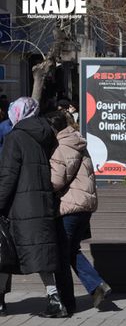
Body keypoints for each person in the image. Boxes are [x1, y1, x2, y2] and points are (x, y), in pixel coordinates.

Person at [0, 97, 70, 318]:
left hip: (19, 207)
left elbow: (7, 177)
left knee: (4, 252)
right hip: (41, 203)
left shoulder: (15, 137)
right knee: (39, 253)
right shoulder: (45, 135)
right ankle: (54, 299)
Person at [46, 112, 111, 309]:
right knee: (71, 250)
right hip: (83, 205)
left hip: (70, 206)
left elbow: (56, 181)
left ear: (53, 129)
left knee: (61, 255)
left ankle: (66, 303)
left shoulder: (62, 147)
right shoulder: (75, 141)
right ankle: (96, 285)